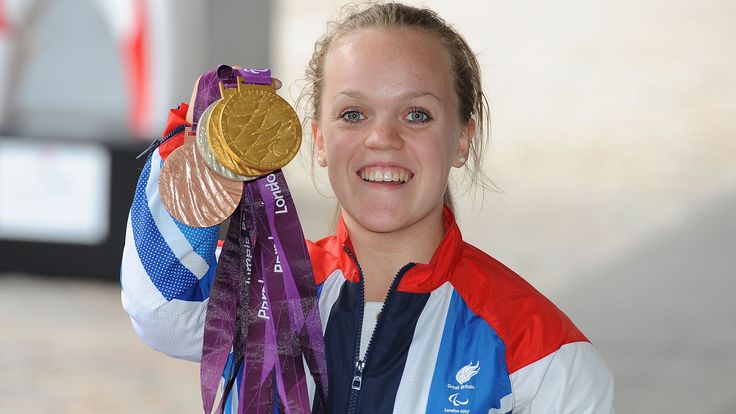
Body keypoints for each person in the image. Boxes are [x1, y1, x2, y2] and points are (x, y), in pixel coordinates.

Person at [121, 2, 615, 413]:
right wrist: (202, 146)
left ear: (461, 140)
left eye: (417, 114)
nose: (382, 138)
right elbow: (161, 309)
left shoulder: (545, 354)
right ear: (316, 140)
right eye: (353, 114)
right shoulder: (258, 294)